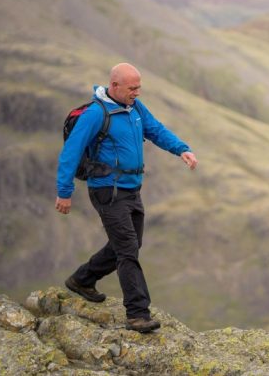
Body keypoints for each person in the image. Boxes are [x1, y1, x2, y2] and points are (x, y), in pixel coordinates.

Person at [55, 62, 197, 333]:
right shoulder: (96, 114)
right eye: (132, 88)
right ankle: (137, 313)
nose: (137, 93)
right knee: (128, 249)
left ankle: (82, 279)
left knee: (129, 244)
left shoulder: (135, 108)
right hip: (107, 189)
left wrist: (182, 150)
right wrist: (64, 192)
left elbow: (155, 130)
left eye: (139, 87)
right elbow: (71, 152)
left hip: (131, 188)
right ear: (115, 85)